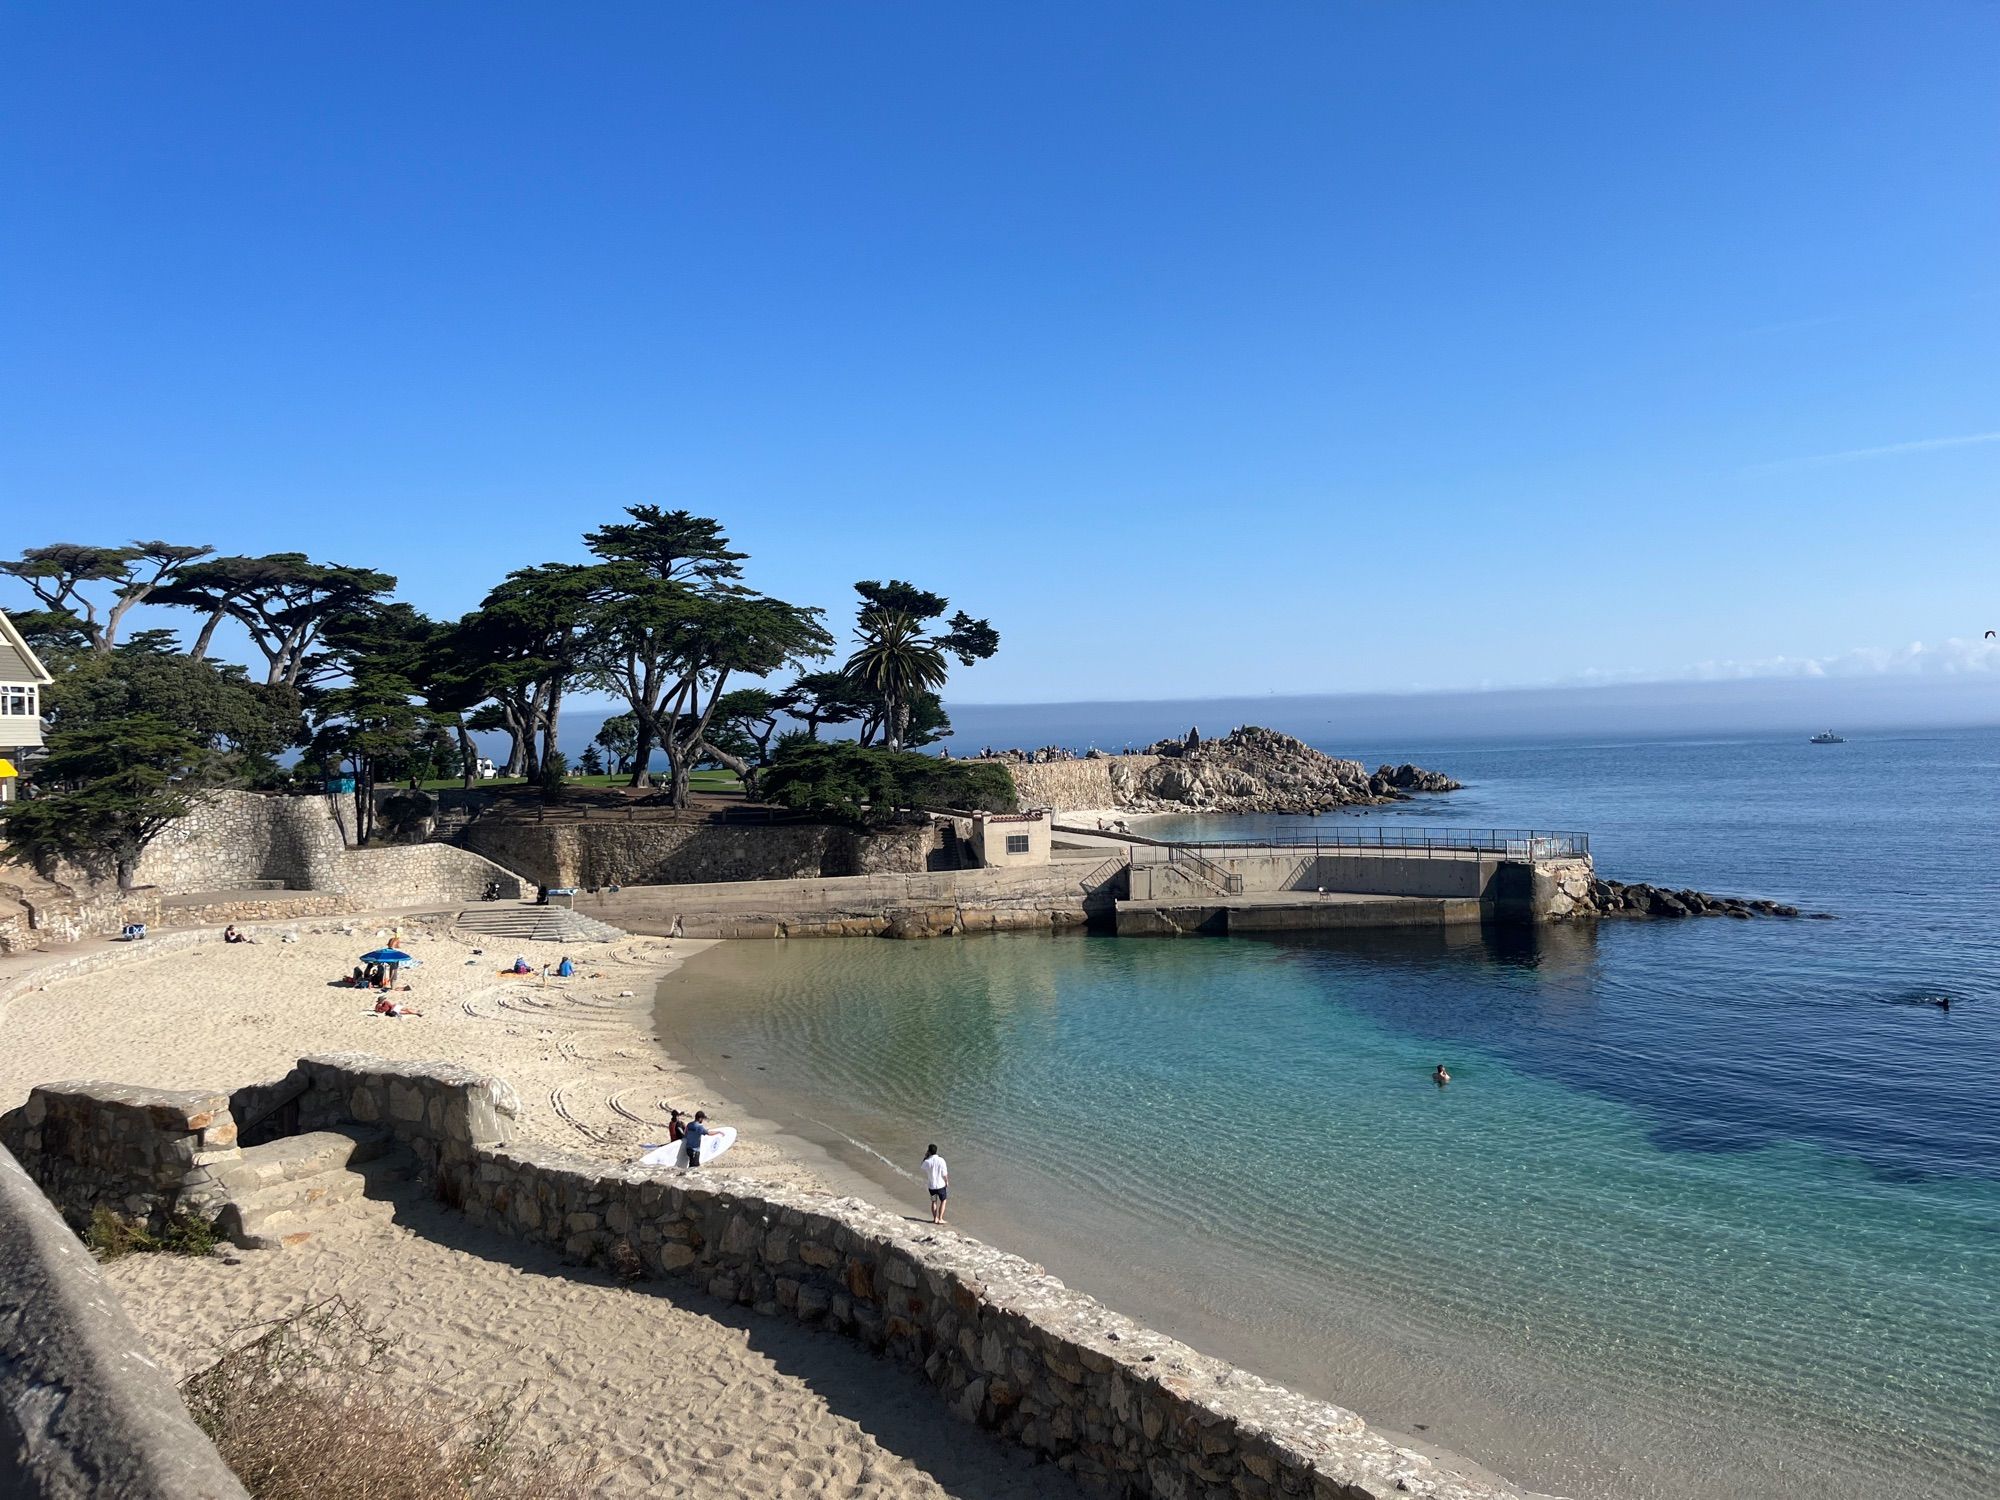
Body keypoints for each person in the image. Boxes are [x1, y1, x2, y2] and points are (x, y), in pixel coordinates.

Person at [921, 1144, 949, 1223]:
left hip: (932, 1186)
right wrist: (946, 1181)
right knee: (943, 1201)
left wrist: (926, 1157)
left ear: (929, 1151)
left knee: (934, 1201)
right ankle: (940, 1218)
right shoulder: (941, 1160)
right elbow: (944, 1173)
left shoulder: (927, 1161)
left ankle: (935, 1218)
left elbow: (922, 1167)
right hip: (941, 1185)